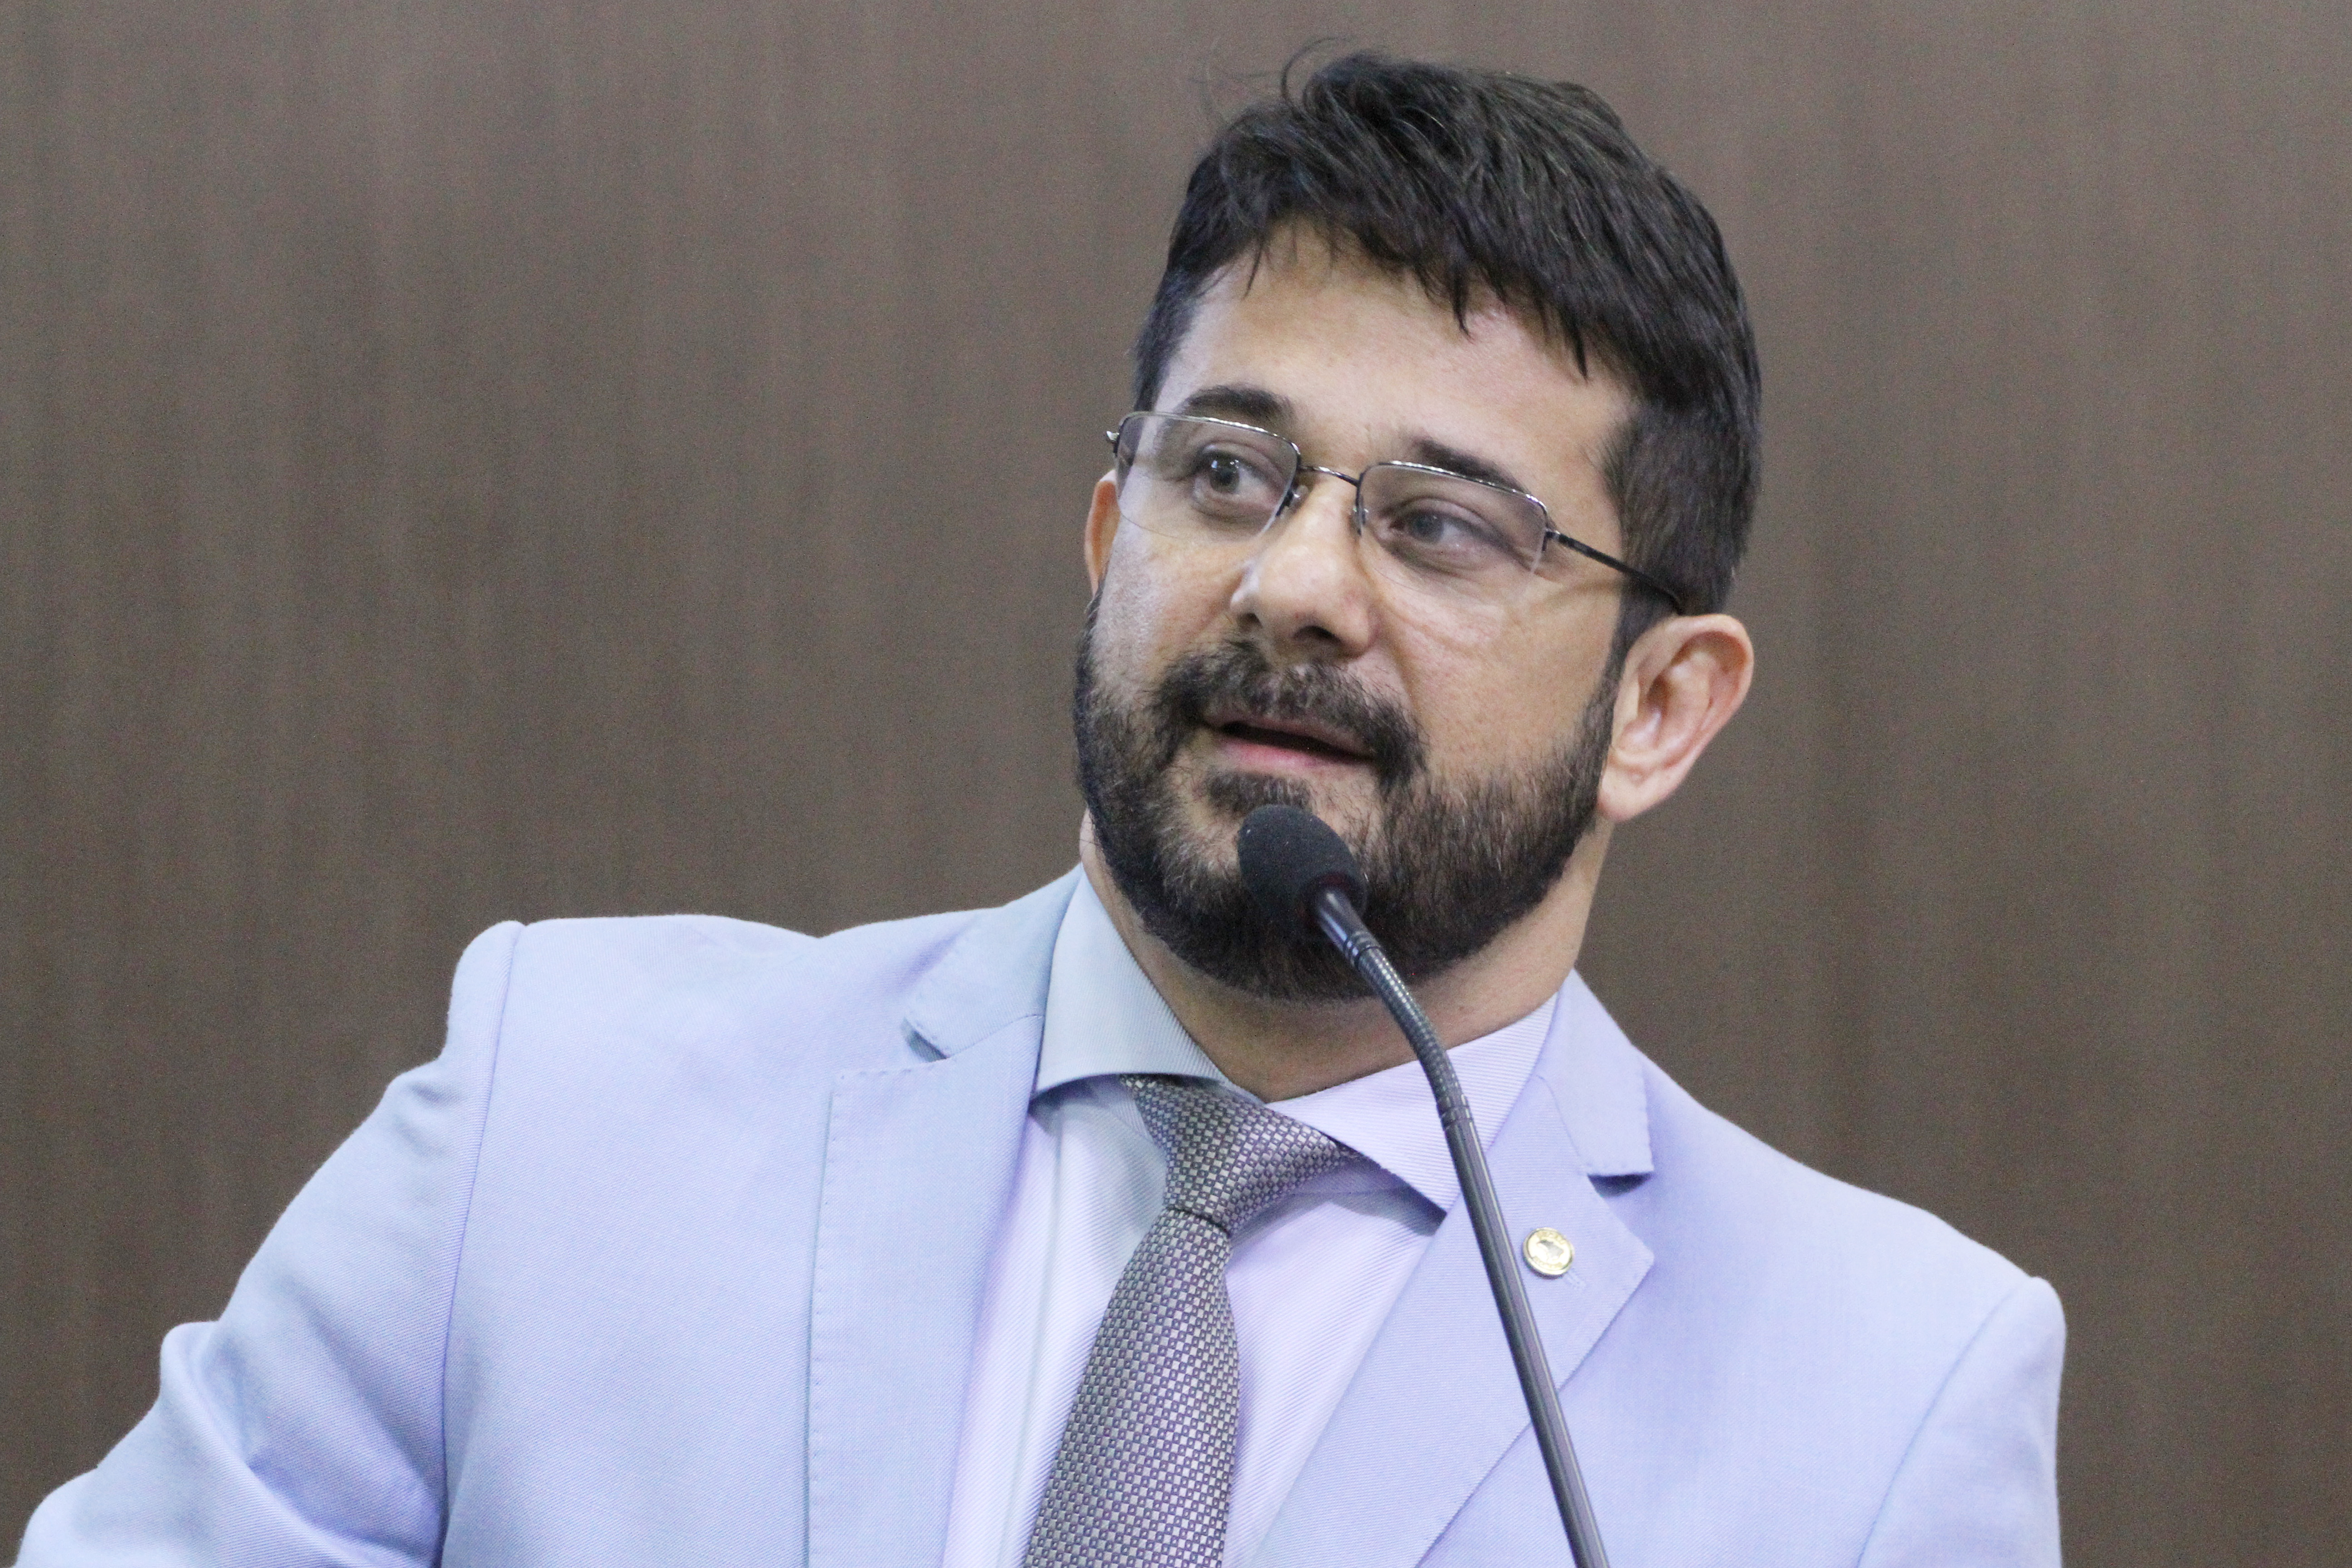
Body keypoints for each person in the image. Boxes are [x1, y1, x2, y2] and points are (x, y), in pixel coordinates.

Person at [17, 51, 2063, 1568]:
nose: (1294, 585)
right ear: (1108, 541)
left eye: (1440, 526)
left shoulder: (1886, 1392)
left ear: (1662, 708)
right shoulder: (556, 1116)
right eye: (1227, 476)